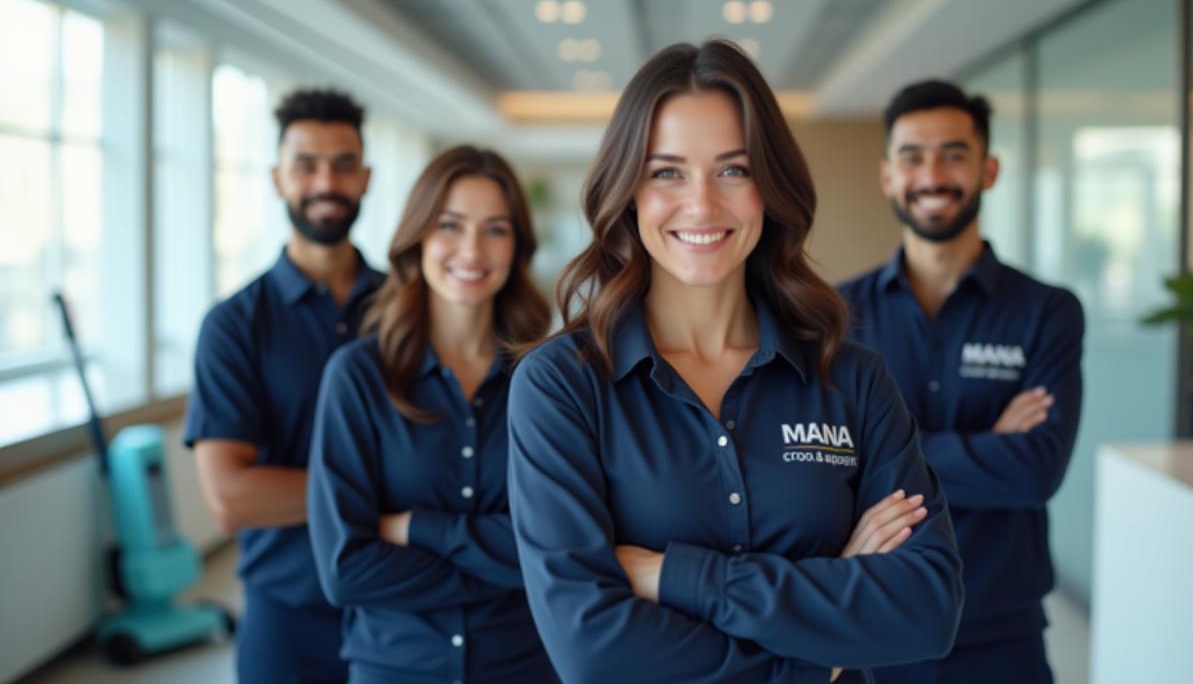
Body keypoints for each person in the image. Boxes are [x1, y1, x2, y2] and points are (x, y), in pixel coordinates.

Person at [506, 40, 963, 684]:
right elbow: (592, 650)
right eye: (667, 172)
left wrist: (674, 577)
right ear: (628, 191)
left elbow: (925, 609)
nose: (701, 204)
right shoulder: (561, 387)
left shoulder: (852, 380)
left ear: (770, 188)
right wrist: (821, 648)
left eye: (733, 170)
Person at [837, 79, 1084, 684]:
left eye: (954, 154)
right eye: (913, 156)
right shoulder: (837, 316)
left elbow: (1036, 469)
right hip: (877, 617)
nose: (933, 175)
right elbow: (828, 466)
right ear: (888, 175)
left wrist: (888, 454)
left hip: (1000, 629)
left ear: (989, 169)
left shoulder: (1046, 311)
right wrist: (988, 442)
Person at [307, 145, 557, 684]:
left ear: (517, 247)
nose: (472, 249)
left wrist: (420, 529)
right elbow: (346, 570)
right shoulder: (357, 377)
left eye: (495, 229)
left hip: (525, 667)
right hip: (394, 666)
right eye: (450, 225)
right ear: (418, 237)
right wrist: (512, 562)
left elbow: (564, 547)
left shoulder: (548, 380)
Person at [184, 88, 384, 683]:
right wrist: (392, 493)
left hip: (398, 605)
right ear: (277, 178)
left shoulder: (408, 309)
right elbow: (231, 499)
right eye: (306, 164)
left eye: (344, 164)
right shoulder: (234, 325)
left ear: (366, 177)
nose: (327, 180)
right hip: (287, 616)